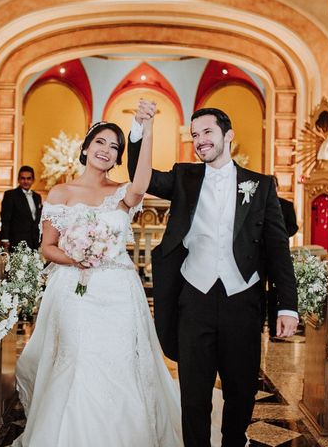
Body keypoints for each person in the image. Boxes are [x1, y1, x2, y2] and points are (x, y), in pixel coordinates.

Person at [13, 102, 194, 447]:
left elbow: (142, 181)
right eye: (100, 143)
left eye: (114, 147)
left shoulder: (122, 193)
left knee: (122, 360)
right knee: (78, 357)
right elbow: (47, 247)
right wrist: (75, 258)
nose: (107, 151)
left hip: (118, 290)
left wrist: (147, 127)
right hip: (76, 289)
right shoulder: (60, 193)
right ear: (85, 147)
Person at [128, 106, 298, 447]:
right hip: (194, 297)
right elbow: (140, 175)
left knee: (241, 388)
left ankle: (235, 441)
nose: (200, 141)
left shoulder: (261, 185)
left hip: (243, 297)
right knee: (193, 391)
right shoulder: (183, 177)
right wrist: (139, 128)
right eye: (194, 135)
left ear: (228, 135)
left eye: (207, 132)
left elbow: (279, 249)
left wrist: (287, 306)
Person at [266, 175, 299, 338]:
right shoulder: (258, 204)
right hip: (260, 252)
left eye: (273, 187)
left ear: (277, 188)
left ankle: (274, 327)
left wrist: (278, 235)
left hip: (278, 252)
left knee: (275, 291)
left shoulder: (286, 205)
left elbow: (293, 226)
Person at [0, 166, 42, 250]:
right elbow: (5, 218)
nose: (26, 181)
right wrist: (4, 239)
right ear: (18, 179)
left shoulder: (37, 197)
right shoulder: (10, 195)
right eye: (23, 178)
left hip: (34, 241)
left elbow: (37, 220)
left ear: (33, 180)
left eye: (29, 178)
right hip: (16, 241)